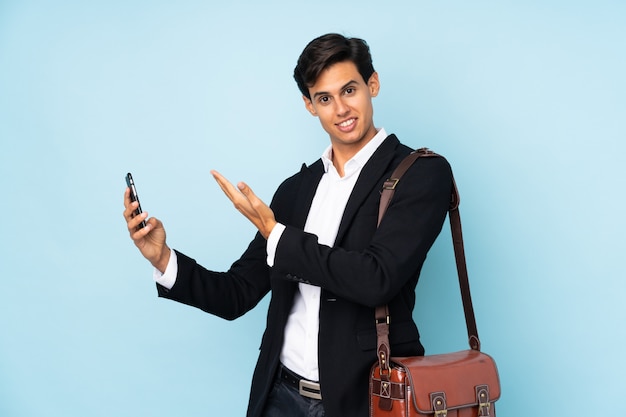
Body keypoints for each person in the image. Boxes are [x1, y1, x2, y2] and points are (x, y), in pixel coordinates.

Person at [123, 33, 453, 417]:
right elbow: (237, 293)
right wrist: (163, 259)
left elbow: (376, 278)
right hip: (279, 395)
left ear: (372, 85)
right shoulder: (296, 191)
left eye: (350, 89)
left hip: (362, 400)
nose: (341, 108)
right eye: (325, 98)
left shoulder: (421, 173)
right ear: (309, 105)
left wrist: (277, 234)